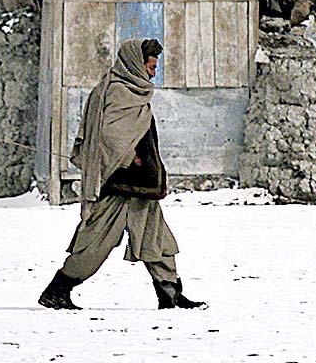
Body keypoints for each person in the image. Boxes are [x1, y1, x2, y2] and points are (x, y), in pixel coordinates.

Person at [38, 38, 206, 310]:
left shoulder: (134, 90)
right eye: (150, 66)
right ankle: (57, 290)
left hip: (141, 186)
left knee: (157, 238)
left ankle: (170, 293)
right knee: (95, 242)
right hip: (118, 184)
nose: (153, 72)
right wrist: (132, 159)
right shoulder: (116, 92)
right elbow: (110, 136)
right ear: (136, 64)